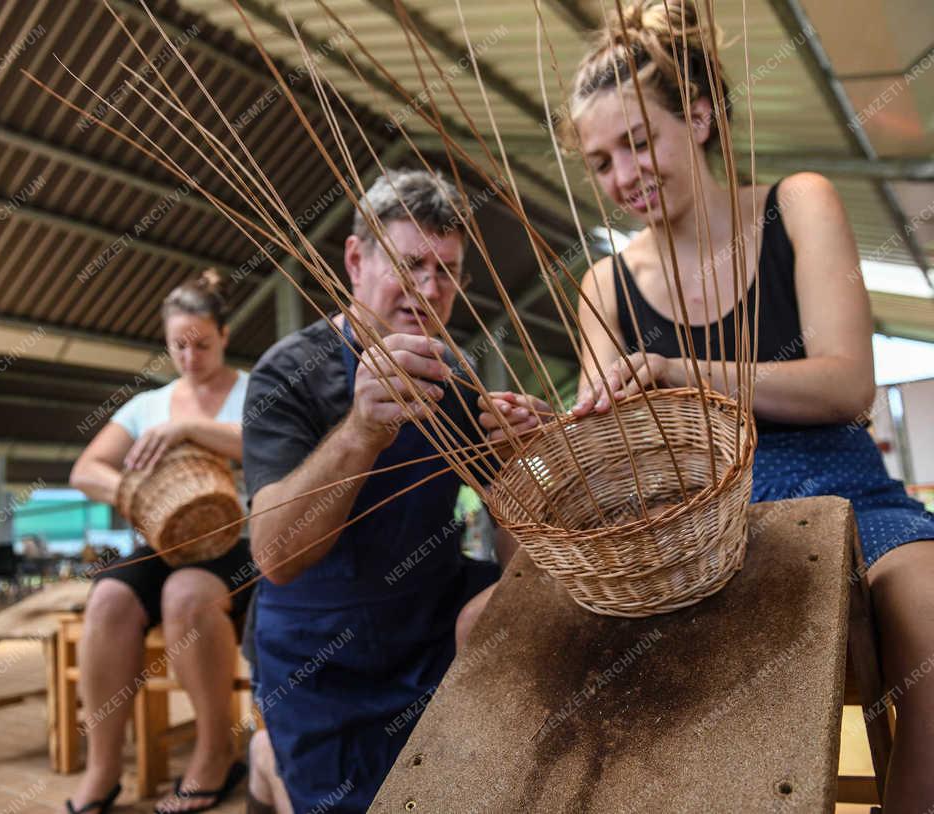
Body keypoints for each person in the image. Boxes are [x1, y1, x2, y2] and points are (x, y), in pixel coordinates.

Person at [485, 3, 934, 810]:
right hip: (696, 528)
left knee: (931, 611)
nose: (623, 177)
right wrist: (545, 439)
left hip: (847, 495)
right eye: (600, 162)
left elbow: (846, 386)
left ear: (696, 117)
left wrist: (669, 369)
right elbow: (612, 444)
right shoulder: (605, 285)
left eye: (637, 142)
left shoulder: (797, 204)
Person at [242, 169, 516, 813]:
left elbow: (521, 546)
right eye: (409, 264)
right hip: (321, 653)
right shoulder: (288, 371)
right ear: (356, 258)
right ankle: (269, 763)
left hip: (430, 625)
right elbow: (274, 555)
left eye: (447, 271)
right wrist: (361, 431)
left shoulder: (456, 376)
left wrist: (521, 462)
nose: (429, 290)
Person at [67, 270, 252, 814]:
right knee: (108, 598)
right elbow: (85, 469)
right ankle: (103, 769)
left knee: (186, 597)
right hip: (163, 537)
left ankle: (215, 754)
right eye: (178, 345)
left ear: (224, 335)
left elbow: (268, 445)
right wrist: (132, 488)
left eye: (202, 344)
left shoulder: (254, 390)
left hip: (237, 537)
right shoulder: (149, 403)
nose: (190, 357)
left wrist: (189, 431)